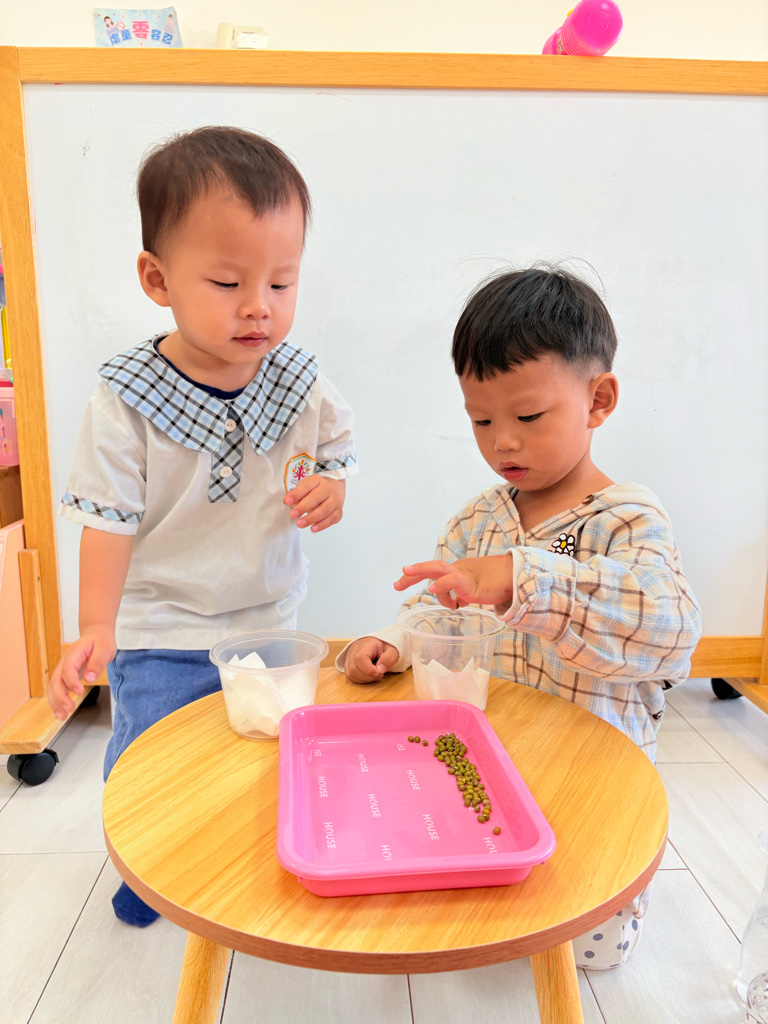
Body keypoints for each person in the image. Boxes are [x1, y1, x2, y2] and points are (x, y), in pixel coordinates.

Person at [341, 266, 701, 968]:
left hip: (591, 780)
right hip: (491, 771)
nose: (502, 441)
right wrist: (390, 642)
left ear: (598, 400)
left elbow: (671, 632)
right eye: (481, 421)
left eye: (528, 417)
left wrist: (522, 577)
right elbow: (433, 609)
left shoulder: (626, 518)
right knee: (472, 893)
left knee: (588, 943)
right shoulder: (476, 520)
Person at [47, 126, 358, 925]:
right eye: (227, 281)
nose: (260, 306)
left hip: (268, 614)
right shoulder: (126, 400)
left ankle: (244, 857)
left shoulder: (300, 381)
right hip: (162, 624)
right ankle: (147, 868)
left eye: (282, 282)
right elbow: (108, 522)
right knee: (152, 757)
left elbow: (334, 452)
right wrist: (96, 626)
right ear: (157, 278)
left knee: (265, 751)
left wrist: (331, 488)